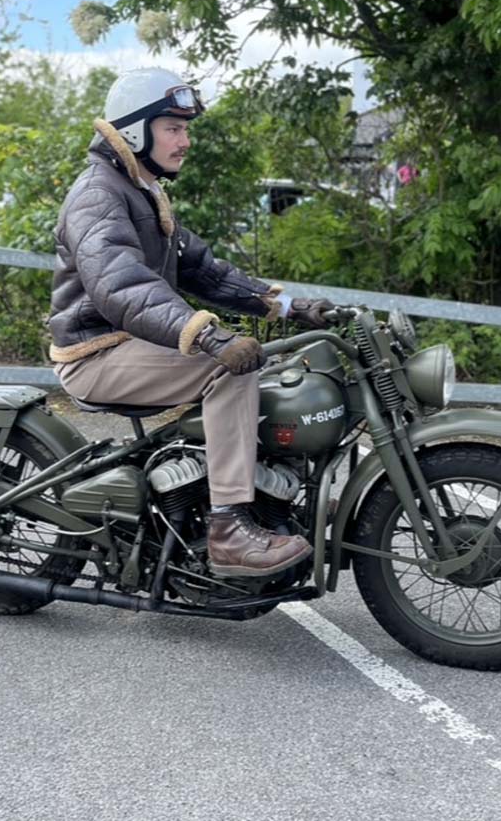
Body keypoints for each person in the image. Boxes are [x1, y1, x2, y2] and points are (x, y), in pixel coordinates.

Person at [49, 67, 334, 577]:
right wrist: (206, 336)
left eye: (187, 128)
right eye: (174, 128)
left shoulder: (143, 190)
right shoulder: (98, 194)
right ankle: (227, 530)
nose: (186, 140)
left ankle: (267, 499)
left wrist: (289, 306)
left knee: (270, 373)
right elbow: (122, 284)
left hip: (134, 344)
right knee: (227, 368)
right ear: (135, 130)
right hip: (98, 351)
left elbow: (203, 270)